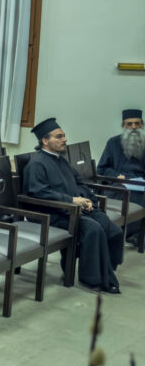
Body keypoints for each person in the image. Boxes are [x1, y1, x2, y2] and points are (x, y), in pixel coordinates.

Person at [24, 118, 123, 294]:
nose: (65, 139)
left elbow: (79, 183)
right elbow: (38, 192)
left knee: (112, 229)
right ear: (45, 141)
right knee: (93, 230)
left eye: (64, 136)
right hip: (50, 214)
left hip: (72, 209)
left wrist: (87, 200)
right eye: (59, 137)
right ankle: (91, 279)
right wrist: (71, 200)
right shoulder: (37, 164)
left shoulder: (61, 160)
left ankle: (105, 269)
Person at [97, 108, 145, 242]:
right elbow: (102, 168)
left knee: (139, 196)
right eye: (129, 124)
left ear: (142, 125)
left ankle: (137, 235)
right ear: (123, 125)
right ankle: (124, 233)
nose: (133, 127)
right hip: (118, 183)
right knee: (121, 194)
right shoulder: (113, 142)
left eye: (137, 123)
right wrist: (116, 175)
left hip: (140, 184)